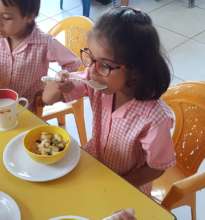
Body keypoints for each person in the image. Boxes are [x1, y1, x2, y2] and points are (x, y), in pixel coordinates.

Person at [42, 6, 176, 195]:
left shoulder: (154, 119)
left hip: (128, 186)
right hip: (93, 164)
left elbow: (157, 166)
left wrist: (118, 184)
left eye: (105, 64)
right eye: (91, 58)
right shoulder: (98, 81)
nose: (93, 70)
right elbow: (47, 100)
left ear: (135, 71)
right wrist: (59, 85)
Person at [0, 0, 81, 110]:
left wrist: (62, 78)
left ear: (29, 16)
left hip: (24, 110)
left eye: (6, 17)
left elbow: (73, 62)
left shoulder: (44, 43)